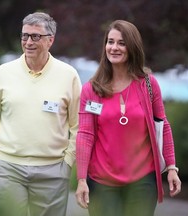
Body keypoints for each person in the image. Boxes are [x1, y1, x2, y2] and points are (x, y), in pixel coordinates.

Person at [0, 12, 81, 216]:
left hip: (52, 171)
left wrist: (67, 161)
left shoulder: (68, 75)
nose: (28, 42)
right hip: (7, 169)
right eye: (25, 36)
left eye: (36, 36)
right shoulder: (3, 72)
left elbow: (78, 125)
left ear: (50, 40)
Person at [75, 20, 181, 216]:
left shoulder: (148, 84)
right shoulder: (92, 89)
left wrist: (172, 167)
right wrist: (81, 179)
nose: (114, 48)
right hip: (102, 184)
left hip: (142, 182)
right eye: (110, 42)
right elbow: (85, 135)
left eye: (121, 43)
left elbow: (163, 126)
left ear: (132, 47)